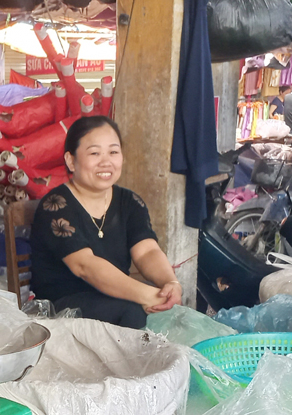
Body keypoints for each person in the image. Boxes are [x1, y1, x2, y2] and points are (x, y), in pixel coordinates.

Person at [29, 116, 182, 329]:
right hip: (62, 309)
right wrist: (146, 295)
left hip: (115, 298)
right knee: (134, 312)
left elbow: (147, 251)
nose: (106, 161)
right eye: (94, 153)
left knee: (167, 314)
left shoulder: (129, 202)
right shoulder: (55, 206)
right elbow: (85, 266)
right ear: (71, 161)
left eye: (113, 152)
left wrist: (169, 283)